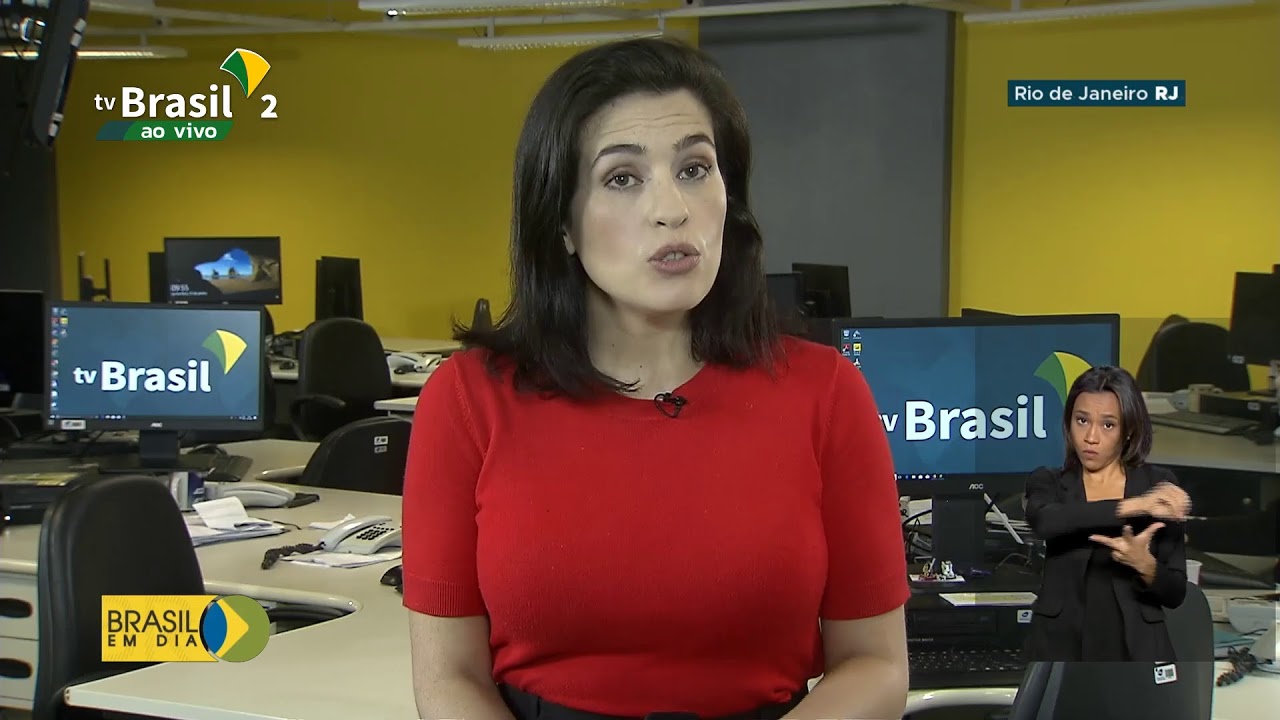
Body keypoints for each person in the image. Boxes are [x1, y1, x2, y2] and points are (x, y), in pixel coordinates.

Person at [400, 38, 911, 720]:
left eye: (695, 168)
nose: (672, 209)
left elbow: (876, 666)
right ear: (561, 223)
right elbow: (448, 680)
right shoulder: (467, 399)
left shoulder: (826, 392)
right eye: (622, 178)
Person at [1023, 365, 1193, 662]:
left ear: (1129, 431)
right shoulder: (1049, 481)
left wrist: (1144, 565)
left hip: (1136, 653)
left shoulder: (1158, 485)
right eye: (1082, 420)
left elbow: (1176, 593)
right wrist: (1134, 506)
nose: (1091, 437)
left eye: (1108, 425)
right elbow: (1047, 521)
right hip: (1061, 651)